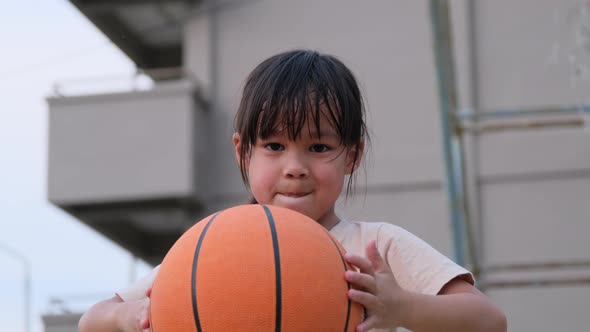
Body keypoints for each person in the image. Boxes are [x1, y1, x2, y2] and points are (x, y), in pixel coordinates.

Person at [79, 50, 506, 332]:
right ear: (242, 151)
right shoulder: (212, 252)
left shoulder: (375, 247)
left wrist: (401, 307)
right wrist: (127, 316)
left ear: (352, 156)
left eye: (318, 147)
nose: (295, 168)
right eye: (274, 146)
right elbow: (90, 321)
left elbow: (488, 320)